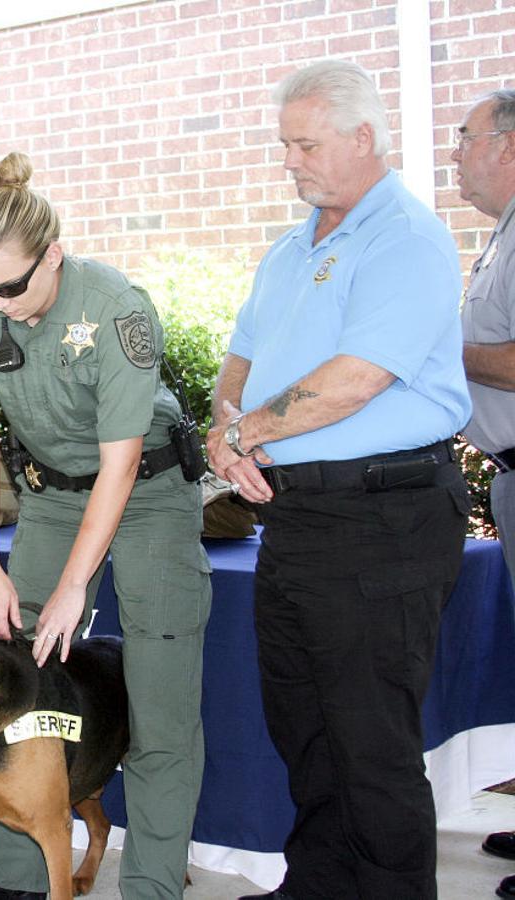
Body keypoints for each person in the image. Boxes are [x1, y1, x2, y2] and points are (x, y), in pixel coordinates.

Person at [205, 61, 472, 900]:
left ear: (364, 138)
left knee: (371, 741)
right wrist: (226, 430)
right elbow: (241, 357)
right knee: (305, 728)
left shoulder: (406, 239)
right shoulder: (292, 246)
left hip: (383, 515)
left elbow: (359, 378)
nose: (290, 161)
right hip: (297, 518)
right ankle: (318, 886)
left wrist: (245, 432)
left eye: (306, 144)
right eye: (285, 144)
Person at [0, 152, 212, 900]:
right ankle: (14, 878)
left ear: (53, 255)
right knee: (14, 684)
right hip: (52, 496)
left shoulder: (116, 309)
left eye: (12, 287)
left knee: (158, 704)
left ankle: (152, 886)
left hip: (148, 493)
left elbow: (121, 463)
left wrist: (74, 586)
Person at [452, 88, 515, 900]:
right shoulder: (502, 234)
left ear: (508, 144)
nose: (455, 154)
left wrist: (442, 346)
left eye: (466, 138)